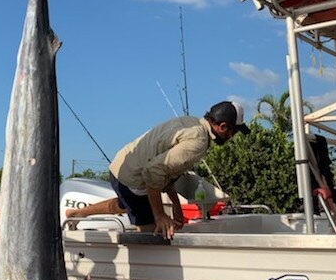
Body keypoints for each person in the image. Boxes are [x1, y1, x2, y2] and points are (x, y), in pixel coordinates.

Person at [66, 101, 250, 239]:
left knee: (127, 203)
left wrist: (176, 204)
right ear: (223, 126)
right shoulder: (198, 143)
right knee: (153, 232)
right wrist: (160, 216)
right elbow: (153, 173)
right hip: (133, 177)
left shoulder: (191, 121)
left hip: (121, 166)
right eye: (233, 132)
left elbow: (167, 173)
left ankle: (77, 213)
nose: (232, 137)